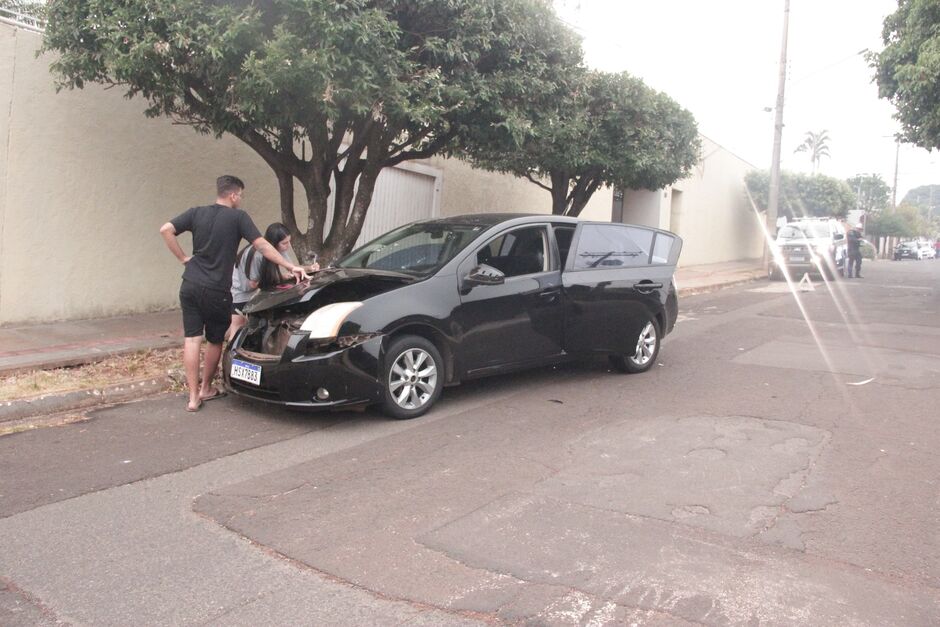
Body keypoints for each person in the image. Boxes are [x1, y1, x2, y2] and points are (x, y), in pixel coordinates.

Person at [160, 176, 309, 412]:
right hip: (217, 290)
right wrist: (291, 266)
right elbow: (262, 245)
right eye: (240, 194)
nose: (240, 199)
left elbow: (166, 229)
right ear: (233, 195)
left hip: (189, 284)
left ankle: (192, 398)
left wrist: (183, 258)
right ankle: (205, 388)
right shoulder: (238, 217)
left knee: (191, 339)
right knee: (215, 340)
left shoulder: (196, 212)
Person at [228, 223, 319, 340]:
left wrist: (309, 268)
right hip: (241, 291)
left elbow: (291, 267)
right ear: (274, 242)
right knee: (238, 326)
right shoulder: (257, 255)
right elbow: (253, 283)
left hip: (257, 290)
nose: (288, 246)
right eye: (285, 243)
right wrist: (280, 278)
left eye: (289, 242)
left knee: (253, 327)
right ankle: (232, 354)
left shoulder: (278, 249)